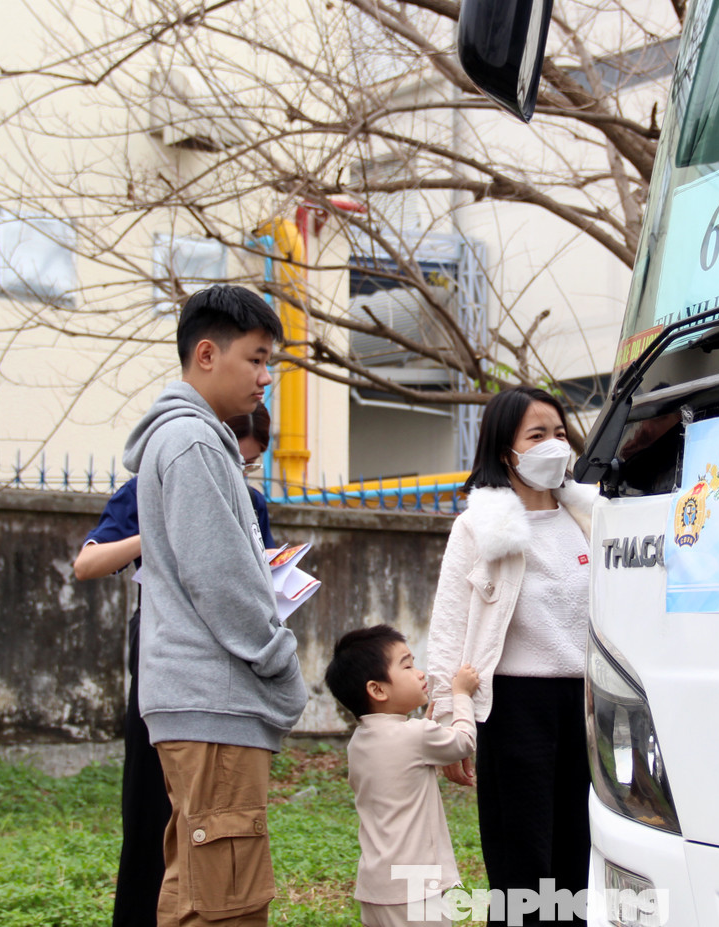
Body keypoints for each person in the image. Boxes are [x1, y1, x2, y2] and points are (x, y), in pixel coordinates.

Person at [122, 284, 307, 927]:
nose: (265, 378)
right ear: (207, 354)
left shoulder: (196, 441)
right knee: (226, 902)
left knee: (198, 892)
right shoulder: (193, 443)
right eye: (255, 359)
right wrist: (280, 663)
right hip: (214, 701)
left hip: (202, 701)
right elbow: (221, 579)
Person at [74, 406, 279, 927]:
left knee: (216, 812)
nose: (237, 473)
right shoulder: (152, 486)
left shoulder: (250, 502)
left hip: (229, 656)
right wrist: (163, 531)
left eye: (247, 465)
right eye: (233, 460)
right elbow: (88, 563)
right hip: (166, 650)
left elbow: (261, 577)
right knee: (151, 801)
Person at [425, 386, 598, 927]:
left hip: (586, 706)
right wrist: (445, 716)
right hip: (514, 708)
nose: (554, 444)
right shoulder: (480, 527)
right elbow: (449, 624)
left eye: (560, 432)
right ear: (507, 452)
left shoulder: (591, 518)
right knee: (522, 859)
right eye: (537, 435)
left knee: (580, 853)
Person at [324, 625, 480, 927]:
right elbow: (463, 742)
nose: (420, 673)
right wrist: (462, 695)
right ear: (378, 690)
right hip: (417, 887)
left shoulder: (359, 742)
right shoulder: (415, 736)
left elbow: (405, 754)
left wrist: (428, 724)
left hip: (375, 886)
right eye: (407, 666)